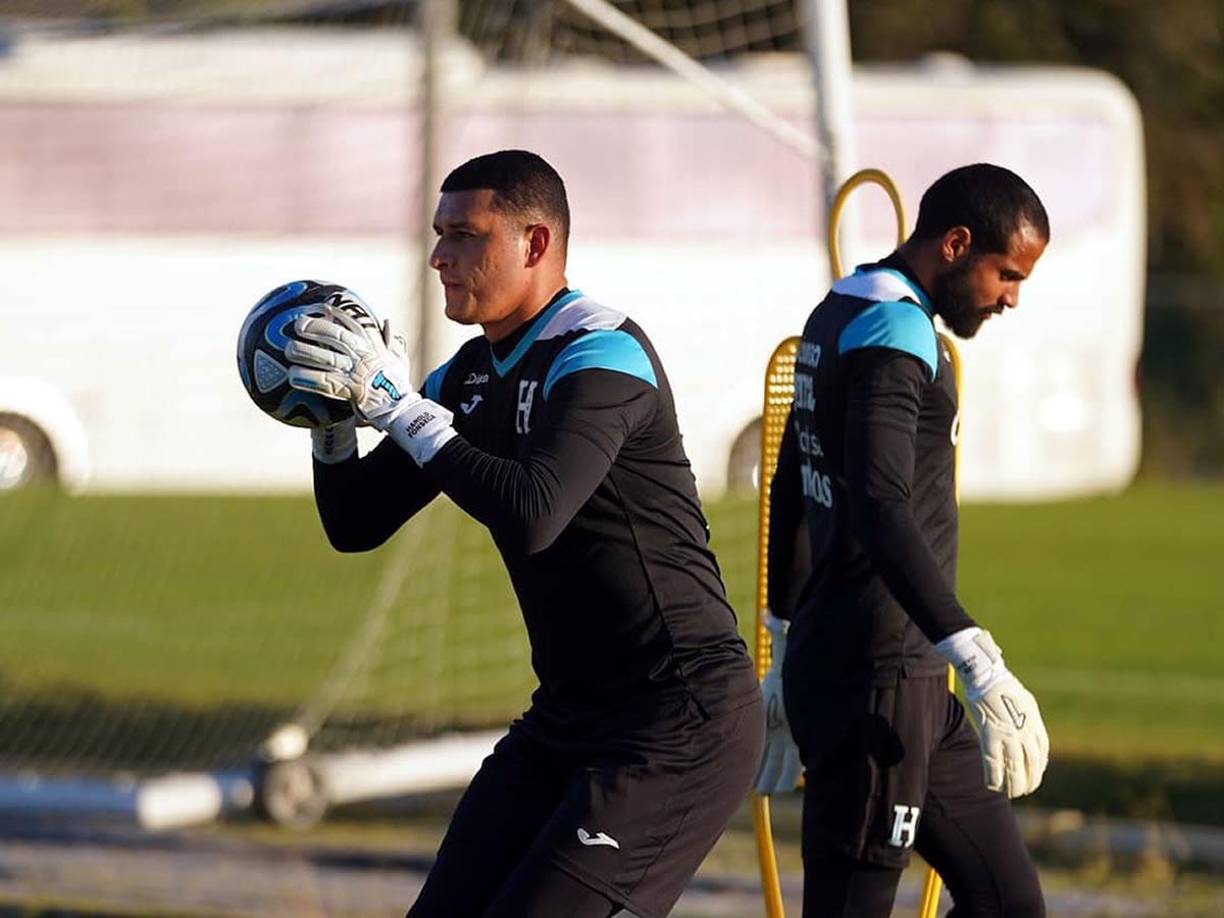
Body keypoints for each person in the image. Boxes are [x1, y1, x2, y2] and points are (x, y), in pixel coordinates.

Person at [282, 149, 764, 918]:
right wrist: (330, 424)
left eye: (465, 235)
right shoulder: (468, 376)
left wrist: (396, 406)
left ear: (535, 245)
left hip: (678, 724)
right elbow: (356, 522)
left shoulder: (604, 352)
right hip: (568, 717)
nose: (440, 256)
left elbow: (535, 512)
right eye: (438, 234)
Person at [755, 163, 1051, 917]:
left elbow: (791, 482)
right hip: (874, 681)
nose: (1011, 298)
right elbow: (881, 508)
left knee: (1008, 903)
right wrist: (980, 662)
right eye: (1006, 274)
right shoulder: (896, 329)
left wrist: (784, 642)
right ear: (955, 244)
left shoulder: (841, 307)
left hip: (898, 677)